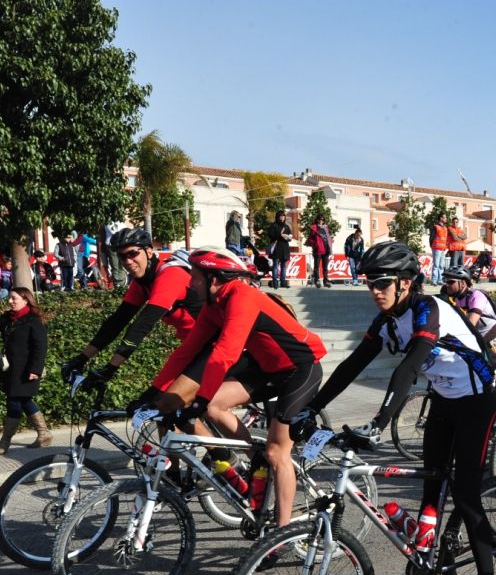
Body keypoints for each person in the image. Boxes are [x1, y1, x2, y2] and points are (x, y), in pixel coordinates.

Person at [298, 241, 496, 575]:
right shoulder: (387, 319)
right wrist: (310, 407)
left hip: (478, 401)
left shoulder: (429, 309)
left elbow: (410, 366)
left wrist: (379, 422)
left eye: (382, 283)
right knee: (430, 489)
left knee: (465, 496)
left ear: (407, 282)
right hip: (444, 400)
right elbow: (350, 366)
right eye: (369, 283)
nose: (374, 290)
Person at [137, 248, 326, 528]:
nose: (191, 283)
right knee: (214, 406)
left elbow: (225, 352)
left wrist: (198, 398)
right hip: (266, 368)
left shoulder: (242, 296)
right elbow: (187, 352)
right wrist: (153, 392)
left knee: (278, 452)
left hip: (301, 369)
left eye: (196, 277)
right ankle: (255, 459)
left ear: (213, 278)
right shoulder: (215, 305)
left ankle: (281, 532)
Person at [62, 229, 204, 403]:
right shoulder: (142, 282)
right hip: (191, 345)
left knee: (175, 405)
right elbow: (117, 321)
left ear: (149, 251)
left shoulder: (170, 275)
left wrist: (110, 369)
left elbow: (141, 326)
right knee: (162, 411)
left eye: (133, 253)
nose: (128, 261)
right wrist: (81, 359)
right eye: (122, 257)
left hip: (212, 344)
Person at [0, 288, 50, 453]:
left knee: (14, 402)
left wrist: (35, 370)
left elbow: (40, 348)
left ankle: (5, 441)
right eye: (9, 298)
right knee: (23, 400)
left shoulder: (34, 321)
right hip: (10, 369)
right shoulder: (8, 318)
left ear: (26, 300)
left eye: (13, 298)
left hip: (26, 370)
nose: (10, 301)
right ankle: (44, 433)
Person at [444, 264, 496, 352]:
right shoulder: (456, 298)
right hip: (474, 335)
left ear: (463, 283)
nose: (446, 284)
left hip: (490, 335)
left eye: (450, 282)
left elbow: (470, 323)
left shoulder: (476, 295)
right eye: (445, 280)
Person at [266, 210, 293, 289]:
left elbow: (290, 235)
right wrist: (279, 235)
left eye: (283, 216)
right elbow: (270, 235)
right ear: (277, 217)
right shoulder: (273, 226)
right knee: (275, 266)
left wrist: (288, 237)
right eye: (280, 216)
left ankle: (283, 282)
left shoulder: (286, 226)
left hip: (284, 248)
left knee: (284, 266)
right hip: (276, 248)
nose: (282, 217)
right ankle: (275, 283)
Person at [307, 217, 332, 288]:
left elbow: (328, 236)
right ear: (317, 220)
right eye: (319, 219)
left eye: (322, 220)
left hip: (326, 249)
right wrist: (315, 244)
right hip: (318, 250)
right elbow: (310, 239)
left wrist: (330, 241)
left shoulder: (326, 228)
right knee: (317, 266)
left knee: (325, 267)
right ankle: (317, 280)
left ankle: (326, 281)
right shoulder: (314, 228)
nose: (321, 221)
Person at [429, 214, 449, 286]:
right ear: (440, 218)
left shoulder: (445, 228)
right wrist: (432, 246)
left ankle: (440, 280)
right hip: (436, 248)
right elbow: (431, 237)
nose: (446, 218)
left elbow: (446, 239)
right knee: (436, 265)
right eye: (444, 217)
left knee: (441, 265)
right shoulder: (435, 227)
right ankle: (434, 280)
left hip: (443, 249)